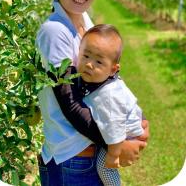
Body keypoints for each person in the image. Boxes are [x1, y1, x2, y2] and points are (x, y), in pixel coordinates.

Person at [36, 0, 149, 186]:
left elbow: (106, 80)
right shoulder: (55, 31)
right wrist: (117, 143)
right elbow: (69, 102)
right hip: (71, 157)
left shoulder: (84, 20)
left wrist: (135, 119)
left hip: (86, 152)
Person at [53, 24, 145, 186]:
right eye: (86, 56)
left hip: (124, 133)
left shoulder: (107, 95)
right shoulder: (96, 80)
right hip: (117, 127)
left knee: (105, 167)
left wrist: (113, 154)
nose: (89, 64)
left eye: (98, 62)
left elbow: (115, 124)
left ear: (113, 70)